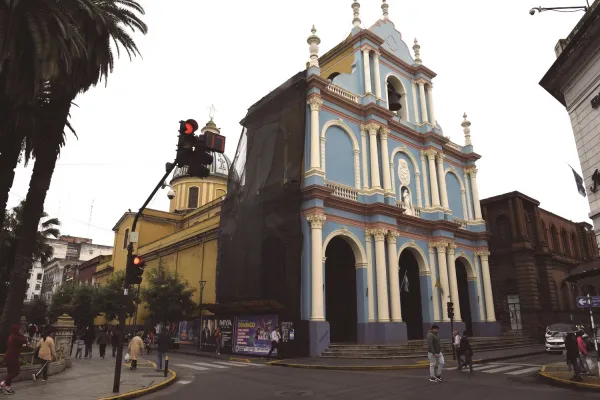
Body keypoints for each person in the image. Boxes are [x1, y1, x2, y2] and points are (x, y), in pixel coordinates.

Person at [0, 324, 28, 394]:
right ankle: (2, 384)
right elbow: (25, 340)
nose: (20, 331)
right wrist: (21, 334)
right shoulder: (16, 337)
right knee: (16, 372)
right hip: (12, 357)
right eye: (19, 329)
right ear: (16, 330)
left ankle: (8, 388)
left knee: (10, 373)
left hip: (9, 356)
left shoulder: (11, 336)